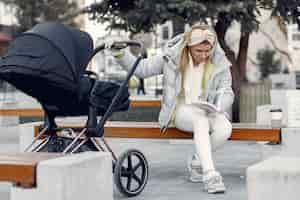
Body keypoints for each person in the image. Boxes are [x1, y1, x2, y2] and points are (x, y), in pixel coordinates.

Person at [108, 24, 234, 194]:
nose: (203, 56)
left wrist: (219, 106)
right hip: (180, 110)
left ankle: (197, 161)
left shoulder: (219, 62)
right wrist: (121, 54)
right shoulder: (171, 57)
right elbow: (142, 69)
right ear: (189, 47)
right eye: (199, 51)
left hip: (209, 109)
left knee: (225, 128)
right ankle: (210, 174)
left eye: (207, 51)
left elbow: (227, 91)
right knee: (200, 120)